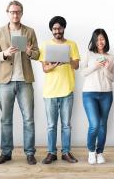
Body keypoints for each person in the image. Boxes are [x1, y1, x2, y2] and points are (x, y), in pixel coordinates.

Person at [0, 0, 39, 165]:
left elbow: (37, 54)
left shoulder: (29, 31)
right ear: (8, 13)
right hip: (5, 81)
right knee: (5, 119)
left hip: (25, 80)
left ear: (22, 13)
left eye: (18, 12)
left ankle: (30, 153)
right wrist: (4, 53)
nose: (15, 14)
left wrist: (29, 52)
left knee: (29, 119)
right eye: (12, 12)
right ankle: (6, 152)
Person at [40, 16, 80, 164]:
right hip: (50, 92)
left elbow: (76, 66)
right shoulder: (46, 46)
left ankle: (66, 152)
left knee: (66, 125)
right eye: (54, 29)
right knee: (51, 126)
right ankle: (51, 153)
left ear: (64, 28)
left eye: (60, 28)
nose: (57, 31)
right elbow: (45, 69)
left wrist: (68, 59)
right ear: (51, 30)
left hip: (67, 91)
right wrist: (55, 64)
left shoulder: (72, 45)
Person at [81, 29, 114, 164]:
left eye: (102, 39)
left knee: (102, 125)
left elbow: (113, 78)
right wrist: (95, 66)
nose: (100, 42)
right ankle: (91, 151)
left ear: (105, 40)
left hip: (106, 94)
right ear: (94, 41)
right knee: (94, 124)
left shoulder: (111, 57)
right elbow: (83, 72)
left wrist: (106, 68)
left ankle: (100, 152)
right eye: (97, 39)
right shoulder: (89, 55)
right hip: (89, 93)